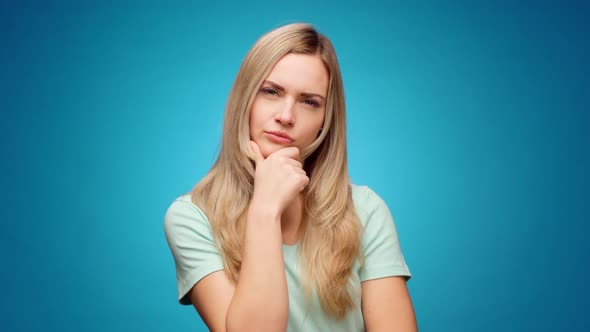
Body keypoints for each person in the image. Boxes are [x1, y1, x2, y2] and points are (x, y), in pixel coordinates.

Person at [164, 22, 417, 331]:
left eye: (309, 101)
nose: (286, 116)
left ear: (325, 119)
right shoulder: (192, 216)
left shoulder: (365, 210)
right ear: (245, 99)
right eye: (271, 91)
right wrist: (265, 210)